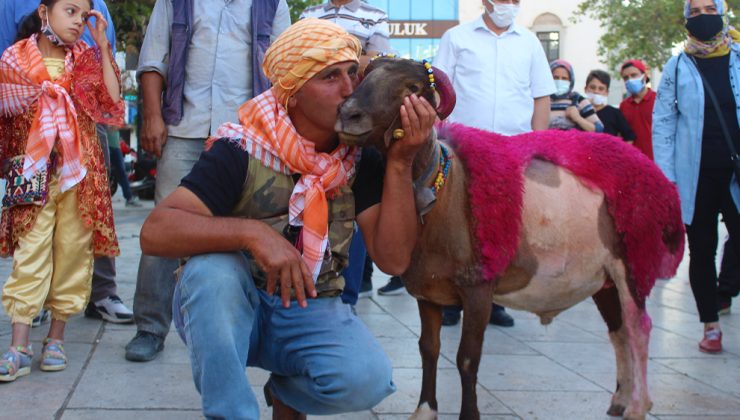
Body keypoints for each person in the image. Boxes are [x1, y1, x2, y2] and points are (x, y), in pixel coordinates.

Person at [140, 18, 435, 418]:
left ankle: (287, 392)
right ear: (292, 95)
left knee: (367, 379)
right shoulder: (243, 147)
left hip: (306, 305)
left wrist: (399, 164)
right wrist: (253, 235)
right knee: (212, 273)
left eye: (352, 73)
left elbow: (395, 261)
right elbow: (157, 231)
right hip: (230, 307)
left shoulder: (359, 157)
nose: (350, 90)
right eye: (330, 77)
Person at [124, 0, 291, 362]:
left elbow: (284, 72)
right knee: (164, 227)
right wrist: (152, 115)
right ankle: (150, 328)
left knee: (245, 229)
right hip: (185, 127)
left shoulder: (273, 4)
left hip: (247, 135)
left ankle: (236, 328)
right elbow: (153, 61)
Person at [0, 0, 123, 382]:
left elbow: (112, 100)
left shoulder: (86, 58)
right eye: (70, 11)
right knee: (30, 251)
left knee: (72, 251)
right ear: (43, 12)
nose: (78, 22)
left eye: (83, 16)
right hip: (32, 169)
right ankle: (18, 345)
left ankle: (56, 338)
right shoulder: (14, 59)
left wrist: (102, 45)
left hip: (79, 175)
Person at [432, 0, 555, 327]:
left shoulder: (529, 42)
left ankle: (495, 298)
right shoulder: (456, 38)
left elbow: (542, 96)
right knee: (457, 221)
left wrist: (537, 144)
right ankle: (450, 299)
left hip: (511, 150)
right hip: (461, 148)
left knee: (500, 226)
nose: (509, 5)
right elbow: (439, 93)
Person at [653, 0, 740, 354]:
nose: (704, 16)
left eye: (710, 8)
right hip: (697, 175)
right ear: (686, 20)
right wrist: (667, 178)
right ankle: (711, 325)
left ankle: (725, 288)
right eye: (696, 11)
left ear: (722, 12)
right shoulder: (677, 66)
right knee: (701, 250)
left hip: (736, 173)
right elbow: (663, 122)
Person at [300, 0, 391, 304]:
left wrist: (323, 63)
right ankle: (308, 284)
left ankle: (346, 296)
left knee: (354, 207)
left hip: (357, 123)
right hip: (315, 124)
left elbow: (376, 65)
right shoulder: (309, 13)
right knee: (309, 198)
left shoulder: (374, 16)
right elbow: (298, 62)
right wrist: (353, 59)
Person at [548, 59, 604, 132]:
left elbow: (599, 129)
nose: (560, 81)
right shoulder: (541, 100)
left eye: (564, 78)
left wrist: (577, 118)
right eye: (555, 77)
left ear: (571, 81)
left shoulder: (579, 100)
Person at [584, 69, 637, 141]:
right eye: (593, 87)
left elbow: (629, 137)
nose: (596, 91)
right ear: (585, 89)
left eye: (601, 89)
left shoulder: (615, 114)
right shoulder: (578, 112)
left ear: (607, 92)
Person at [620, 59, 656, 160]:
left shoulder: (658, 101)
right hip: (633, 163)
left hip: (656, 162)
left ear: (644, 76)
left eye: (634, 75)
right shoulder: (623, 106)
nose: (629, 80)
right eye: (626, 78)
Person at [106, 126, 141, 207]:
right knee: (103, 173)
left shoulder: (115, 115)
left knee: (121, 173)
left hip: (115, 146)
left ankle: (129, 198)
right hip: (104, 144)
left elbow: (122, 124)